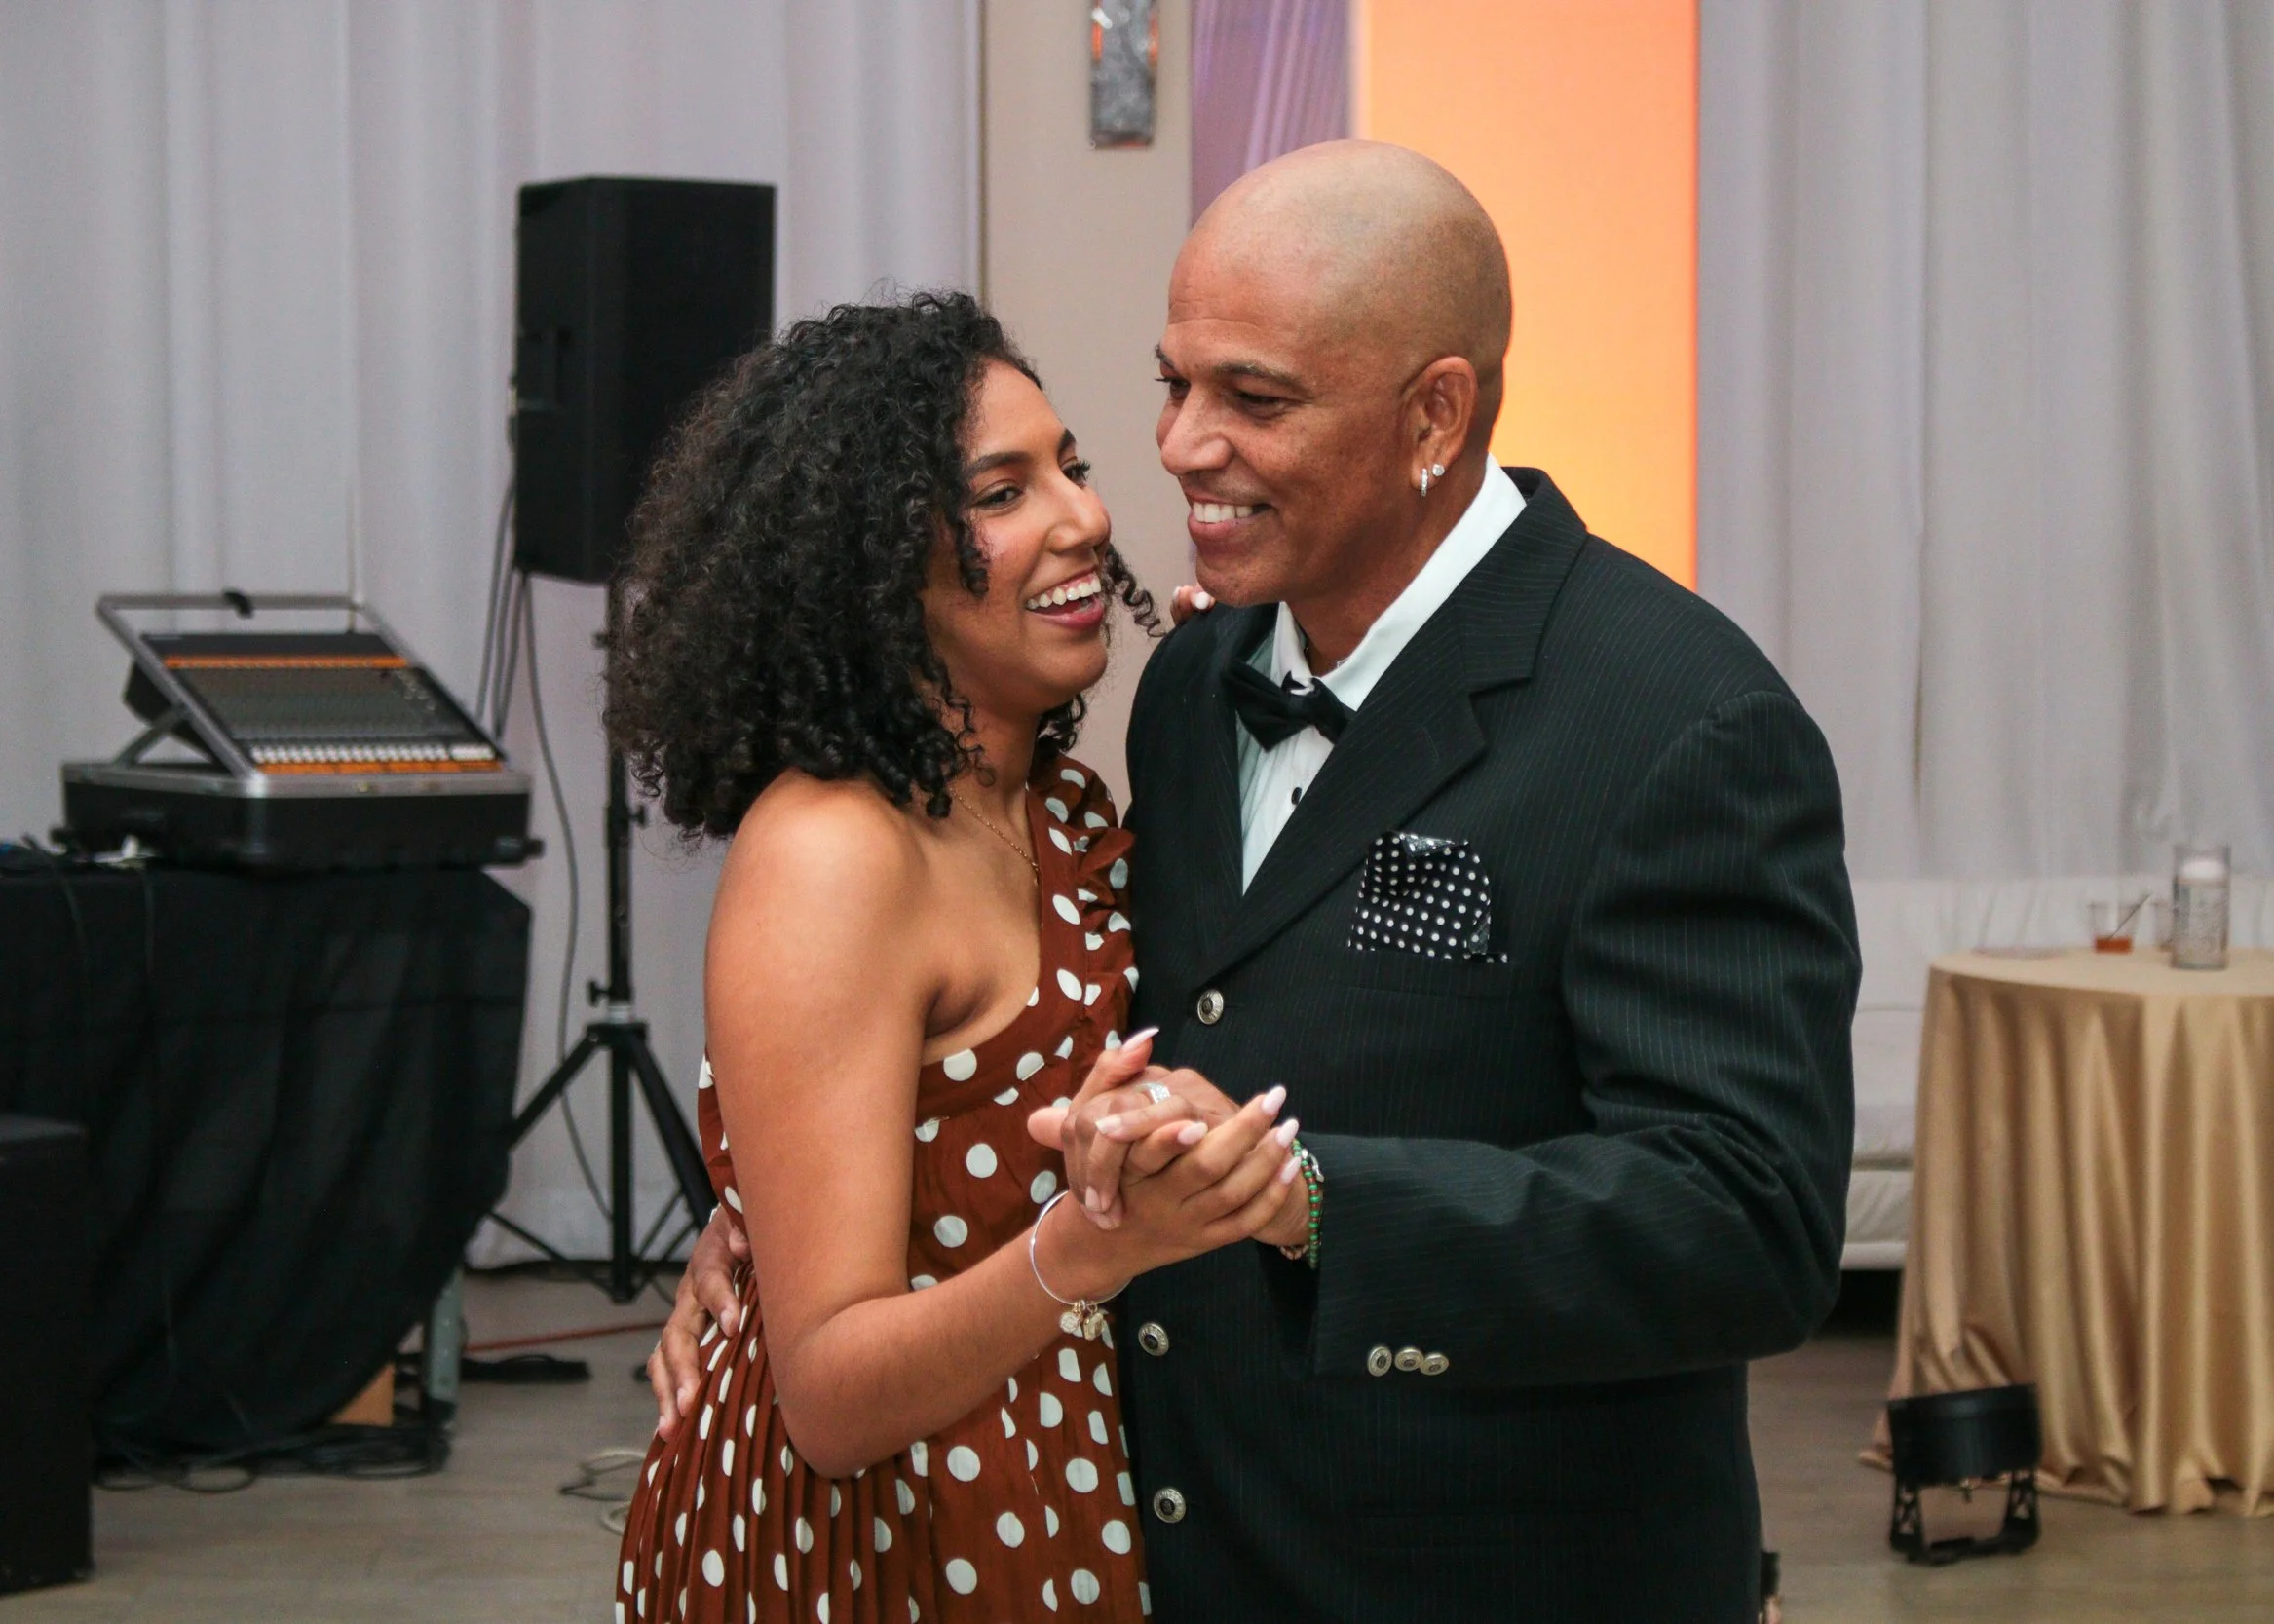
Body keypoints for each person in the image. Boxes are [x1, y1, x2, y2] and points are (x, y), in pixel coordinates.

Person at [656, 143, 1859, 1622]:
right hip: (1162, 1554)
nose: (1174, 449)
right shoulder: (1195, 684)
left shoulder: (1680, 717)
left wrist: (1318, 1202)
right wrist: (778, 1227)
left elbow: (1752, 1221)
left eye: (1254, 399)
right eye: (1173, 385)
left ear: (1436, 411)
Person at [603, 291, 1314, 1624]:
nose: (1085, 518)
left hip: (1041, 1493)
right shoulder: (835, 851)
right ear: (869, 564)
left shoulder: (1058, 805)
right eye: (1002, 490)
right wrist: (1086, 1253)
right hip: (880, 1545)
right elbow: (826, 1398)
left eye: (1073, 469)